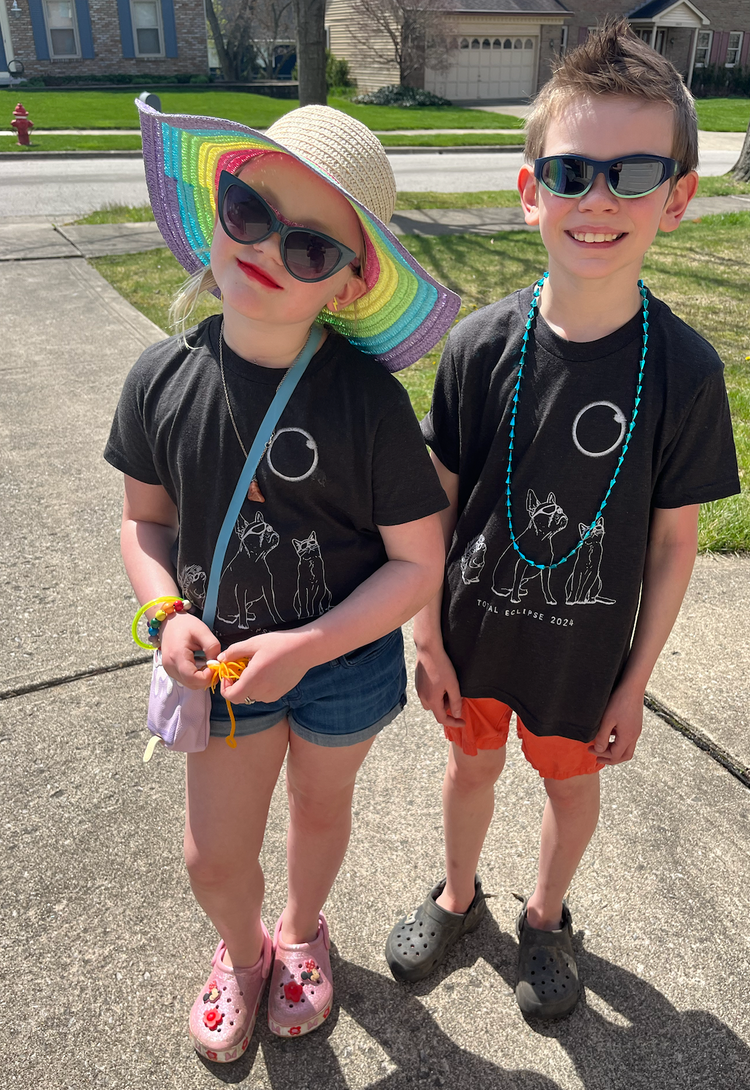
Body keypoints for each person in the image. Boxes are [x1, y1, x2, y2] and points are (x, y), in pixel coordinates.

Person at [384, 21, 740, 1020]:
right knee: (470, 770)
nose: (599, 200)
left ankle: (546, 917)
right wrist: (426, 636)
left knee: (571, 788)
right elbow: (433, 506)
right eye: (573, 171)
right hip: (472, 637)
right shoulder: (479, 344)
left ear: (678, 197)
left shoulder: (684, 372)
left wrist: (636, 681)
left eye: (634, 173)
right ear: (530, 186)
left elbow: (675, 545)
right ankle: (459, 898)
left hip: (587, 660)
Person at [105, 102, 459, 1061]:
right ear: (216, 206)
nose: (265, 248)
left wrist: (306, 648)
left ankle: (302, 932)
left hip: (340, 664)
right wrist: (163, 611)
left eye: (310, 248)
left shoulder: (369, 403)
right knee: (212, 855)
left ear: (348, 286)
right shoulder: (159, 378)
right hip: (218, 666)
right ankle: (241, 949)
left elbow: (417, 562)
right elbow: (146, 521)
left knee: (319, 807)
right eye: (248, 209)